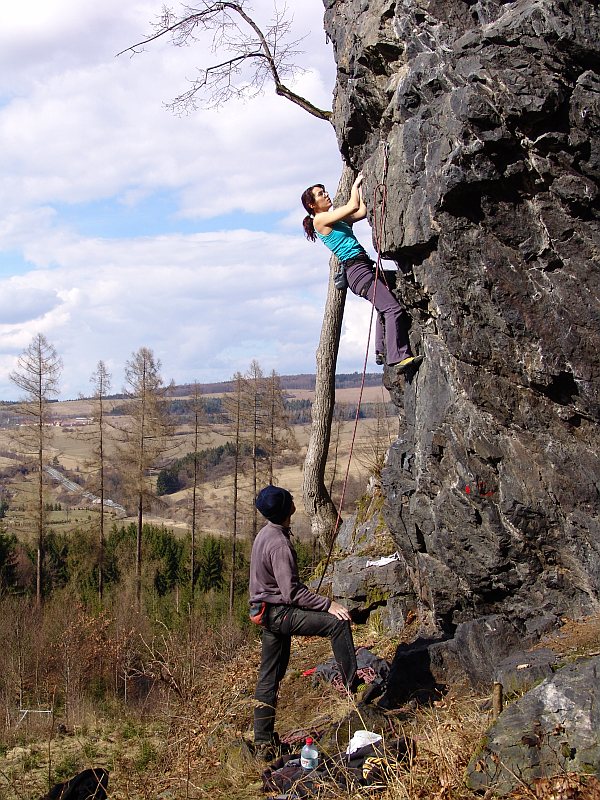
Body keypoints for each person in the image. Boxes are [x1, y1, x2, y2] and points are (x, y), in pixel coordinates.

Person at [250, 485, 358, 758]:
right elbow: (292, 593)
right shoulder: (279, 544)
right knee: (338, 623)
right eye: (291, 500)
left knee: (269, 676)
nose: (295, 501)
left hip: (267, 612)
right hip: (280, 613)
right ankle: (351, 692)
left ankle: (263, 742)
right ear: (287, 510)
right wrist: (328, 605)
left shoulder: (266, 534)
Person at [301, 173, 423, 374]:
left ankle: (381, 349)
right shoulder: (320, 220)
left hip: (363, 268)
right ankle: (398, 357)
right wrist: (355, 185)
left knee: (393, 292)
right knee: (393, 309)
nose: (326, 195)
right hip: (357, 272)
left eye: (325, 192)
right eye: (321, 194)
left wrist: (367, 188)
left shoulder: (337, 221)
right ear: (312, 205)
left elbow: (361, 210)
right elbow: (351, 206)